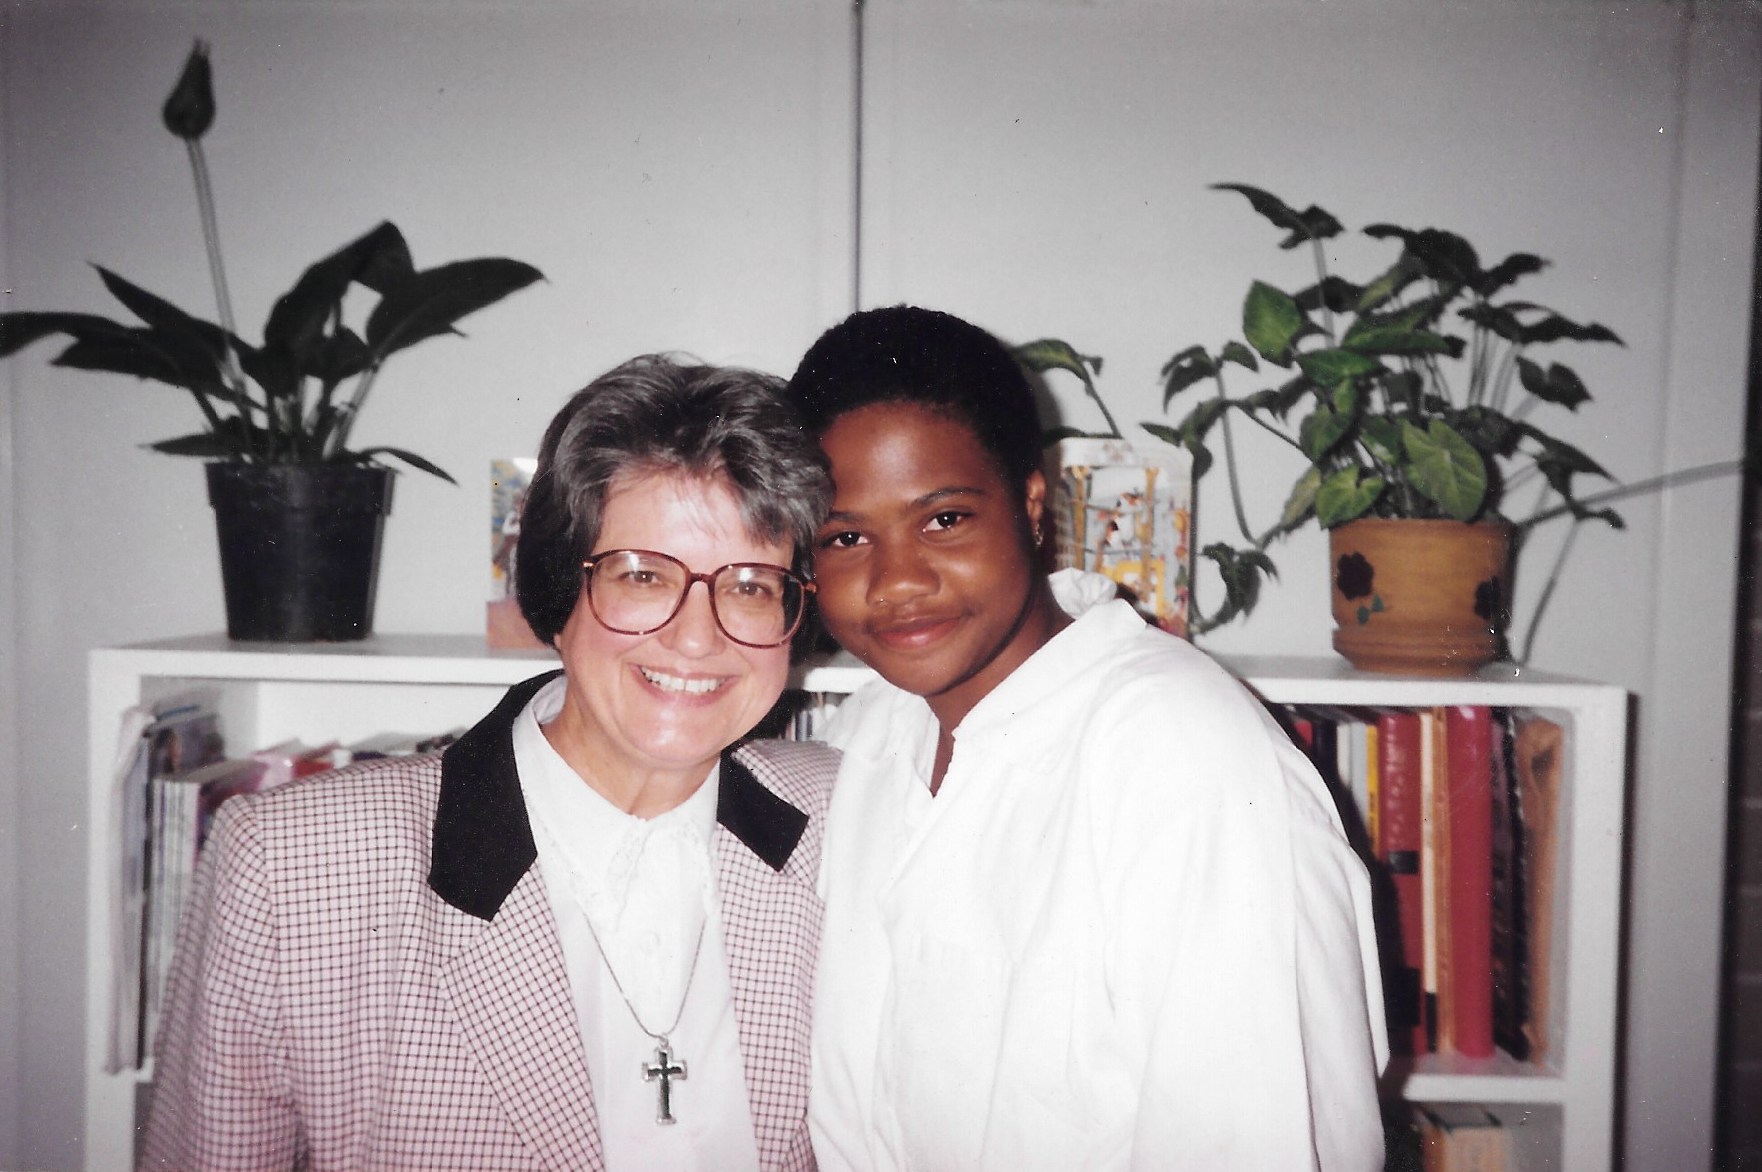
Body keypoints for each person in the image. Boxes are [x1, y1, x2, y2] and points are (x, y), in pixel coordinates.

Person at [142, 356, 839, 1172]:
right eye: (643, 575)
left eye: (752, 585)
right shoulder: (289, 867)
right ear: (556, 590)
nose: (698, 637)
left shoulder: (846, 821)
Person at [788, 306, 1389, 1171]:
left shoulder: (1182, 757)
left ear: (1032, 503)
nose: (899, 581)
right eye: (846, 538)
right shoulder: (871, 736)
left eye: (945, 519)